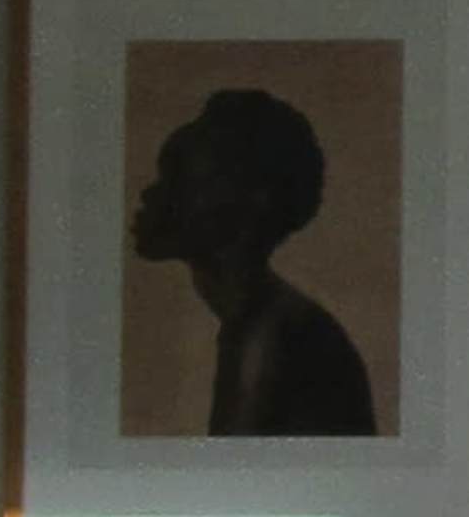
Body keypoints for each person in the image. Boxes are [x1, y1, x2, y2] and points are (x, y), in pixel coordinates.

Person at [132, 82, 381, 437]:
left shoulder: (268, 335)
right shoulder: (270, 322)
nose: (150, 193)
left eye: (178, 177)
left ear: (251, 201)